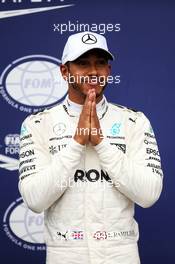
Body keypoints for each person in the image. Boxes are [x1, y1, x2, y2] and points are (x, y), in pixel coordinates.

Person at [18, 31, 163, 264]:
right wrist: (77, 143)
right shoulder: (37, 124)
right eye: (83, 64)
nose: (93, 72)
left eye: (101, 63)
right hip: (64, 255)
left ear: (109, 71)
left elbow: (149, 194)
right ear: (65, 71)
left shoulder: (134, 122)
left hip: (121, 254)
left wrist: (101, 143)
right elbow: (35, 199)